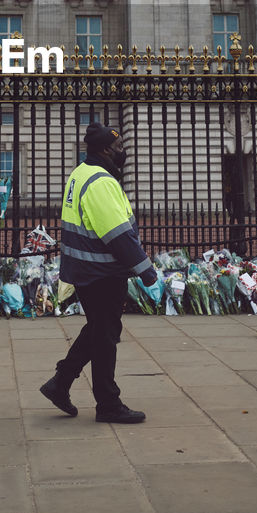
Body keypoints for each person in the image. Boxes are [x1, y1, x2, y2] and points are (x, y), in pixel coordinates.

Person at [40, 121, 156, 424]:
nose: (123, 152)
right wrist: (146, 271)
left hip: (85, 268)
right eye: (119, 148)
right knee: (105, 337)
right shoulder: (101, 181)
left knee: (99, 330)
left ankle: (60, 383)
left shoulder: (80, 173)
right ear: (105, 149)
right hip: (101, 270)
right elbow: (117, 235)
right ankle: (108, 404)